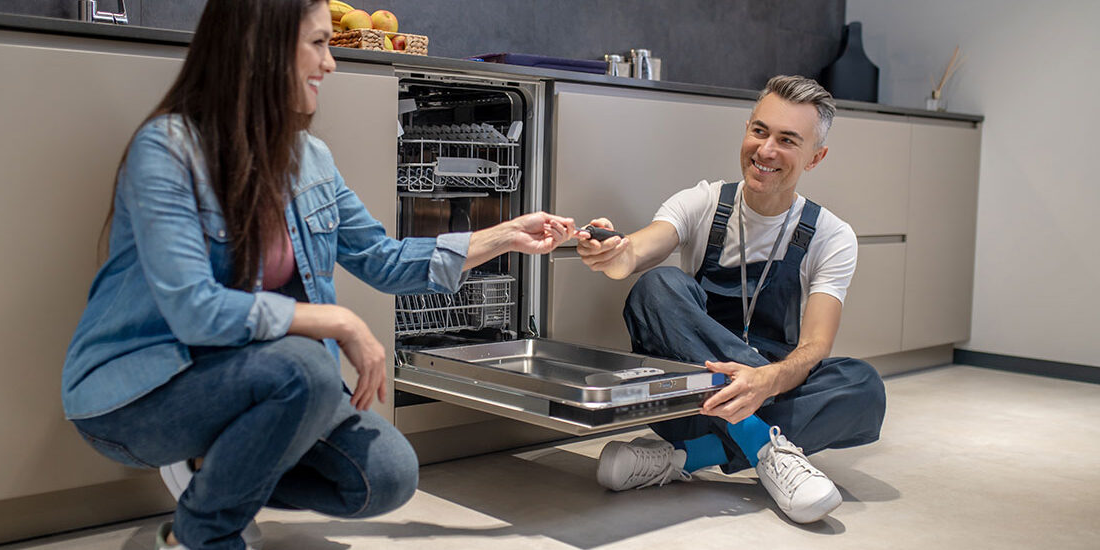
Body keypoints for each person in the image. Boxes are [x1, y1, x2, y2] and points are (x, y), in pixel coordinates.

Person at [60, 1, 576, 549]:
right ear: (260, 48)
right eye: (317, 44)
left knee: (386, 475)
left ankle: (214, 472)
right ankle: (202, 535)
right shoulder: (169, 150)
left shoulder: (311, 159)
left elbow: (382, 259)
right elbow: (195, 309)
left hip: (268, 378)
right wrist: (337, 321)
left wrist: (505, 235)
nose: (330, 63)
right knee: (305, 367)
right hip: (146, 393)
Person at [574, 75, 885, 524]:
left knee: (864, 385)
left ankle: (684, 458)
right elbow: (635, 254)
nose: (766, 150)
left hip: (769, 390)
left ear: (816, 157)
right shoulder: (702, 202)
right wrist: (613, 252)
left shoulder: (831, 236)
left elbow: (816, 346)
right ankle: (765, 445)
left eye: (787, 140)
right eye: (759, 131)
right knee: (657, 286)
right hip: (688, 399)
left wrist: (764, 382)